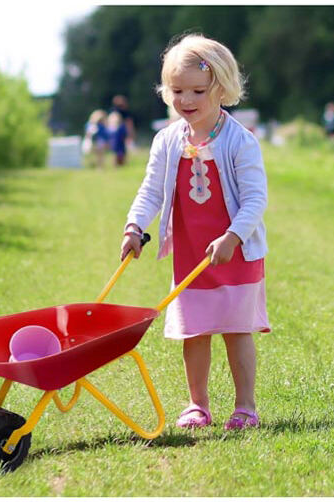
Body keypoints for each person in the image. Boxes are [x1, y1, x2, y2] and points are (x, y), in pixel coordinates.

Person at [121, 34, 269, 431]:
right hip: (191, 255)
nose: (186, 100)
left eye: (197, 91)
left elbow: (256, 200)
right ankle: (197, 405)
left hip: (234, 254)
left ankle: (245, 407)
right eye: (177, 91)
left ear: (220, 88)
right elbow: (151, 189)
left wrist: (233, 237)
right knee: (195, 331)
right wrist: (134, 226)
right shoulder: (168, 141)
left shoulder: (240, 142)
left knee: (237, 331)